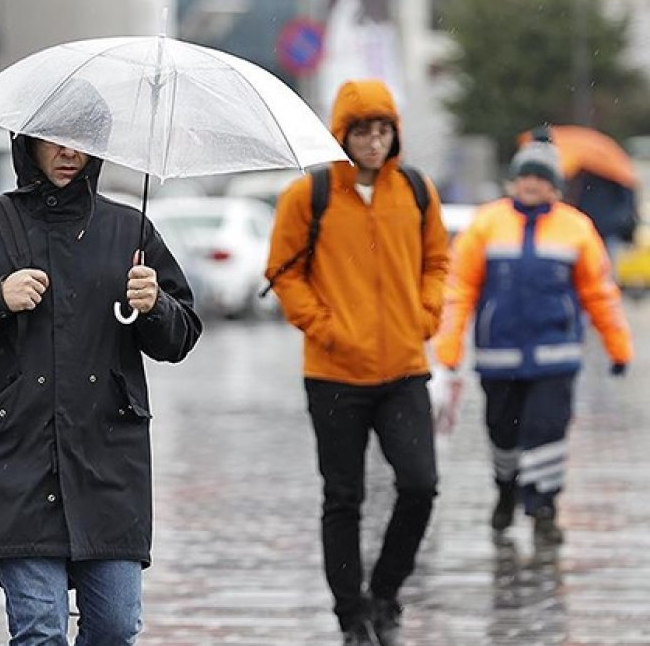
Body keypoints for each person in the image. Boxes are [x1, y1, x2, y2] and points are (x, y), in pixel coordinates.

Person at [0, 103, 202, 642]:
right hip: (14, 461)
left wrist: (155, 304)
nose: (70, 153)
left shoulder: (128, 229)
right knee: (39, 630)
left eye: (83, 139)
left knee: (115, 628)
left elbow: (180, 338)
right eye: (56, 139)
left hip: (109, 464)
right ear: (27, 143)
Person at [264, 79, 449, 646]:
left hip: (403, 370)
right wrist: (325, 328)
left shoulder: (416, 191)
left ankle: (386, 593)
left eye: (383, 130)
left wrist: (425, 315)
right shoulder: (310, 195)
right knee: (343, 497)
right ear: (341, 134)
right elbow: (283, 272)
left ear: (395, 134)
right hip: (334, 375)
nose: (373, 142)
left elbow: (438, 261)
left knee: (420, 485)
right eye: (362, 131)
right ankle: (351, 615)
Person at [432, 137, 633, 548]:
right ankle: (506, 489)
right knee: (502, 433)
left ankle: (544, 507)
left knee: (548, 431)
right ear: (512, 181)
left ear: (555, 186)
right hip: (498, 357)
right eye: (524, 175)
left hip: (555, 357)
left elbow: (599, 293)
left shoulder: (576, 228)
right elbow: (459, 288)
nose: (530, 184)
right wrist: (448, 347)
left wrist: (618, 346)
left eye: (540, 178)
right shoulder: (486, 224)